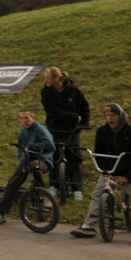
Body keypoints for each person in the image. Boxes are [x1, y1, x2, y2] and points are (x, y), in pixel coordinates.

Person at [70, 103, 131, 246]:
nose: (110, 119)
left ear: (120, 117)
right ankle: (89, 226)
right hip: (110, 171)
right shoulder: (102, 132)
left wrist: (128, 177)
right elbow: (100, 156)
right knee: (97, 193)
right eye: (107, 116)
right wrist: (107, 173)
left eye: (113, 115)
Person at [0, 109, 55, 225]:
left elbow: (50, 145)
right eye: (22, 118)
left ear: (33, 118)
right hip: (27, 161)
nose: (24, 120)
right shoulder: (23, 132)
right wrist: (22, 161)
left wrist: (32, 147)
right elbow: (20, 150)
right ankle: (1, 213)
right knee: (12, 183)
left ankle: (44, 195)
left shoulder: (40, 129)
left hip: (43, 160)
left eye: (27, 118)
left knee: (35, 168)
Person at [40, 66, 90, 198]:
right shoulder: (46, 92)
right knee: (54, 156)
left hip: (72, 130)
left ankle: (76, 188)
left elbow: (84, 106)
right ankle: (54, 185)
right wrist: (74, 117)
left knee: (74, 157)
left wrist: (84, 122)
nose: (45, 80)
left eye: (48, 78)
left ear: (57, 79)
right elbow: (53, 112)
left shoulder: (73, 90)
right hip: (54, 128)